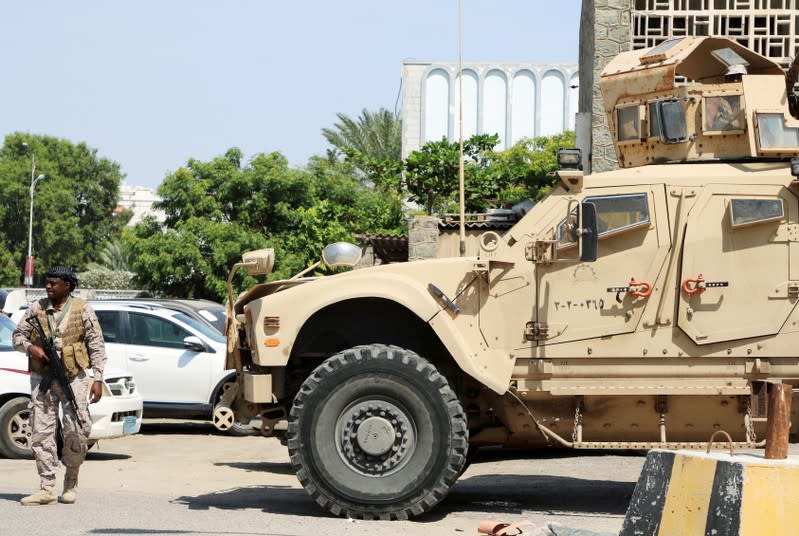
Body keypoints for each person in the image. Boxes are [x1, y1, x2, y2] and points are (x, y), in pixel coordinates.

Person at [12, 266, 106, 506]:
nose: (48, 286)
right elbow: (17, 337)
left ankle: (71, 482)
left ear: (68, 286)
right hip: (43, 378)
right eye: (47, 282)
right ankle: (46, 488)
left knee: (76, 430)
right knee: (41, 432)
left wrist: (98, 378)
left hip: (74, 378)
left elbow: (96, 344)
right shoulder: (37, 308)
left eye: (54, 283)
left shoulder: (82, 308)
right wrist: (30, 348)